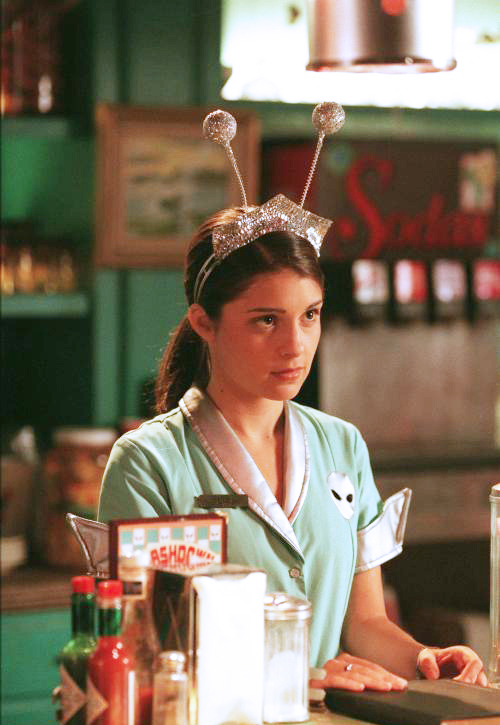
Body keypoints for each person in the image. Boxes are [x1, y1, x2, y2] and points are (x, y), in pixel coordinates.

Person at [97, 105, 487, 694]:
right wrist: (298, 679)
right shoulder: (148, 464)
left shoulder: (342, 445)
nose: (295, 345)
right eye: (266, 320)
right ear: (204, 323)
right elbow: (143, 649)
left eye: (310, 315)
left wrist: (427, 660)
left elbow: (365, 623)